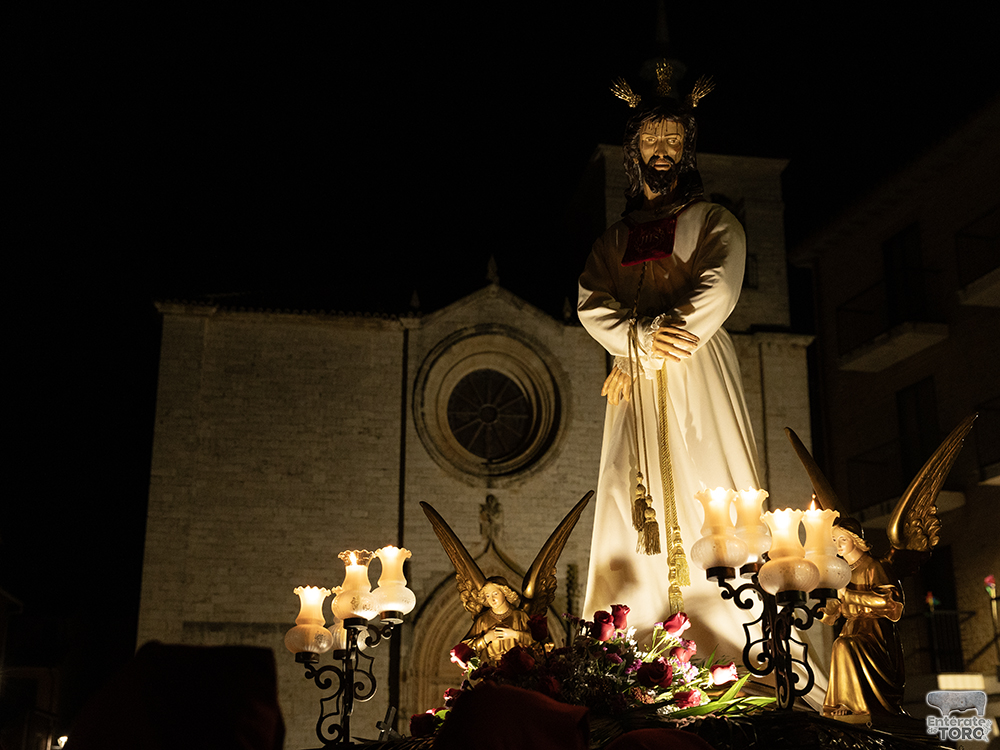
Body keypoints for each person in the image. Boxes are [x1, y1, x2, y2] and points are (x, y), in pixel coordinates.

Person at [578, 76, 761, 659]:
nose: (662, 149)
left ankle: (734, 644)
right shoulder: (613, 239)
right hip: (635, 376)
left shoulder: (713, 220)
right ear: (635, 152)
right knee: (631, 497)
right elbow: (591, 301)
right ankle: (635, 642)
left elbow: (718, 285)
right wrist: (636, 339)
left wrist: (651, 342)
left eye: (672, 139)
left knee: (709, 478)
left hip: (695, 365)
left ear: (687, 148)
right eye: (651, 139)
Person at [820, 518, 905, 721]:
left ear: (856, 540)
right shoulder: (841, 571)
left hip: (874, 630)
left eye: (842, 539)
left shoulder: (873, 566)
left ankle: (858, 703)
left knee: (844, 645)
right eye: (833, 539)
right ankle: (846, 702)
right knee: (841, 644)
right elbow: (832, 612)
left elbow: (889, 601)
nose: (837, 544)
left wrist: (847, 594)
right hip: (852, 628)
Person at [462, 577, 533, 663]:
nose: (492, 599)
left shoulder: (519, 616)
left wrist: (514, 634)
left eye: (495, 594)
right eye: (487, 596)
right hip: (493, 668)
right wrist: (485, 639)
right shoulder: (483, 620)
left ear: (505, 593)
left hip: (518, 667)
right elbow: (464, 649)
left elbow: (536, 641)